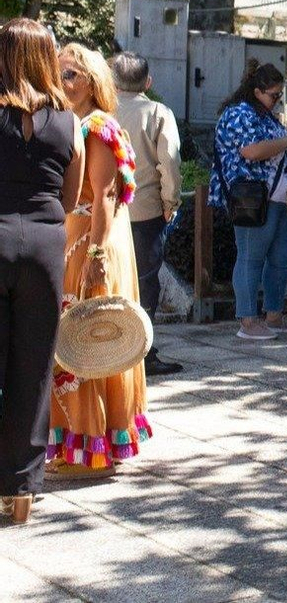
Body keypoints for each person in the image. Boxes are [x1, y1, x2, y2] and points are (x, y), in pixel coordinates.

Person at [49, 45, 153, 478]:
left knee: (85, 337)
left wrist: (94, 254)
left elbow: (106, 194)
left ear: (92, 80)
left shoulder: (96, 127)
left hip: (92, 242)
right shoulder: (76, 123)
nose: (62, 82)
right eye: (58, 74)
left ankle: (87, 448)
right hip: (82, 238)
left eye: (70, 74)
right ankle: (85, 443)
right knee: (79, 338)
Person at [0, 19, 85, 524]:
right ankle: (22, 490)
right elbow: (71, 197)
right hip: (45, 244)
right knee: (33, 368)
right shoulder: (68, 121)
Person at [209, 61, 287, 341]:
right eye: (273, 95)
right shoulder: (239, 113)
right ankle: (248, 320)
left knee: (281, 258)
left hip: (279, 198)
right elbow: (252, 151)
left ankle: (274, 316)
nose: (277, 100)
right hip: (253, 199)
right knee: (251, 258)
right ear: (256, 91)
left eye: (279, 95)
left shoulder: (266, 115)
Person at [111, 52, 185, 375]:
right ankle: (140, 353)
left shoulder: (100, 112)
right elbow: (169, 161)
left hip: (104, 209)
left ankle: (107, 348)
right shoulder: (157, 112)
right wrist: (171, 202)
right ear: (148, 82)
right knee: (144, 284)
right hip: (144, 209)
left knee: (111, 282)